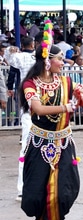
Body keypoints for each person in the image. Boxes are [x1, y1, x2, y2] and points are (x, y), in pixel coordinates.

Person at [20, 21, 83, 220]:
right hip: (39, 144)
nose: (63, 62)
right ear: (47, 60)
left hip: (63, 144)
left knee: (62, 193)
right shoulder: (31, 83)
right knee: (36, 194)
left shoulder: (67, 82)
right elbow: (38, 108)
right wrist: (68, 106)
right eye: (59, 59)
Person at [7, 36, 35, 201]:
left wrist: (10, 87)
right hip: (34, 106)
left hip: (26, 103)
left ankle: (22, 189)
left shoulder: (18, 57)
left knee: (25, 146)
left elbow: (12, 70)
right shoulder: (40, 59)